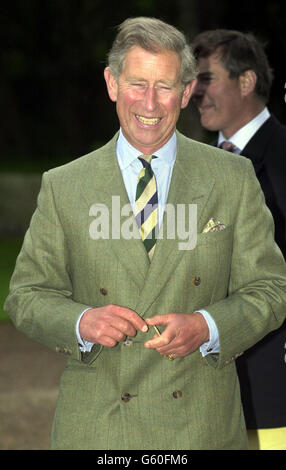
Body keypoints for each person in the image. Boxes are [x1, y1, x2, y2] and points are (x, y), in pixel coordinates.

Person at [4, 18, 286, 451]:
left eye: (165, 86)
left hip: (202, 428)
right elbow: (25, 295)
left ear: (187, 91)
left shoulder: (233, 176)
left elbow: (270, 289)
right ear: (112, 83)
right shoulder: (65, 184)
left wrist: (208, 326)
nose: (150, 103)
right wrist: (81, 321)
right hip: (97, 429)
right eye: (137, 84)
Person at [192, 29, 286, 450]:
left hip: (271, 388)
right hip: (201, 390)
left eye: (206, 79)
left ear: (246, 82)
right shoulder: (191, 163)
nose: (195, 91)